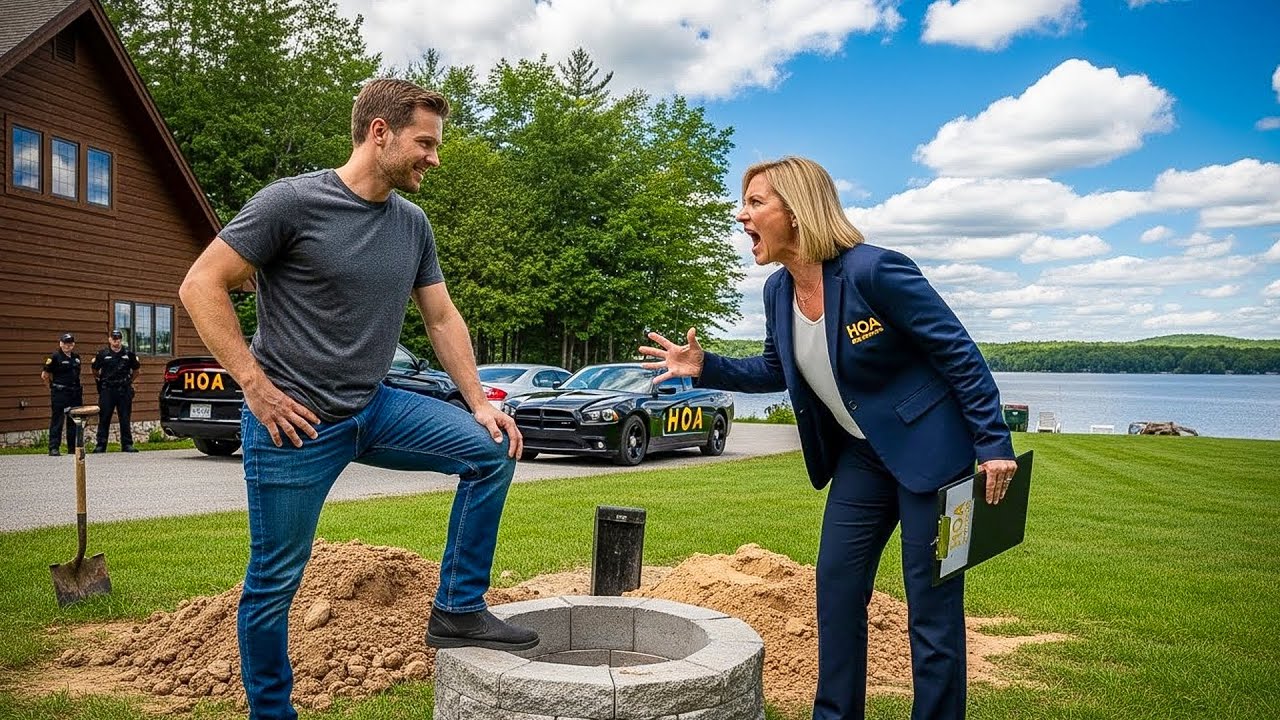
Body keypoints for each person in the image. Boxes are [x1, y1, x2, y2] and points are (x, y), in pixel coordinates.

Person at [178, 78, 536, 720]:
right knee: (274, 583)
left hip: (375, 406)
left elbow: (441, 317)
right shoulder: (291, 203)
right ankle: (272, 712)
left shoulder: (411, 223)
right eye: (425, 143)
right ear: (381, 133)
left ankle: (457, 608)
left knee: (491, 450)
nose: (435, 157)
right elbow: (202, 284)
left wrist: (480, 402)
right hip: (296, 425)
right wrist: (255, 388)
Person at [640, 156, 1017, 720]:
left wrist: (993, 443)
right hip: (861, 460)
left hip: (934, 459)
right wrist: (705, 365)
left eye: (755, 204)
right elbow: (777, 368)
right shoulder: (777, 292)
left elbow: (958, 355)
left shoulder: (875, 272)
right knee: (837, 594)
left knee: (931, 613)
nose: (741, 216)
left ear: (795, 211)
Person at [92, 329, 141, 453]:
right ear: (109, 339)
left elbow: (136, 371)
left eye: (118, 338)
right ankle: (101, 445)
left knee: (125, 418)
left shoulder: (128, 354)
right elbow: (95, 370)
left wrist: (129, 381)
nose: (116, 341)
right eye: (113, 338)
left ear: (121, 340)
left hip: (123, 390)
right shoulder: (102, 354)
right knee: (104, 418)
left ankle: (127, 445)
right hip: (108, 390)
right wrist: (101, 380)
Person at [41, 332, 83, 456]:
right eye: (65, 343)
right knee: (57, 420)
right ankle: (54, 447)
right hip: (60, 392)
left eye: (70, 344)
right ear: (60, 343)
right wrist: (51, 388)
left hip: (74, 393)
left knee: (74, 421)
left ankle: (72, 448)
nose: (67, 346)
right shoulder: (54, 357)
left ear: (73, 344)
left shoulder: (76, 358)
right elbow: (45, 375)